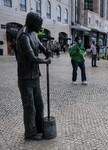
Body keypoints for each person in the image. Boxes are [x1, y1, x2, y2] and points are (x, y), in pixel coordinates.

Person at [16, 12, 51, 141]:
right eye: (39, 25)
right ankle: (30, 133)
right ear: (32, 23)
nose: (40, 28)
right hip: (25, 78)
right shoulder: (24, 35)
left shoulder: (33, 34)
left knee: (39, 105)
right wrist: (45, 61)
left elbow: (41, 47)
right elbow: (31, 57)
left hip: (35, 76)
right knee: (30, 107)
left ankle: (39, 128)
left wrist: (47, 51)